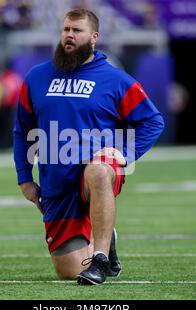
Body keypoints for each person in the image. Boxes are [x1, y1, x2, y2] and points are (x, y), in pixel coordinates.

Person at [14, 8, 164, 285]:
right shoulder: (36, 77)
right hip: (57, 184)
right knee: (68, 271)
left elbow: (153, 121)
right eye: (66, 29)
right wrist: (25, 178)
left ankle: (101, 259)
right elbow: (22, 130)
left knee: (97, 170)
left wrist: (127, 155)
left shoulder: (116, 79)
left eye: (77, 30)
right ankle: (106, 237)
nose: (69, 36)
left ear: (94, 37)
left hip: (98, 171)